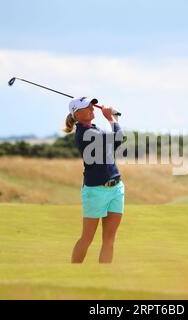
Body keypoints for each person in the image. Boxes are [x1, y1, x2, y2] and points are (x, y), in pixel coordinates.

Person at [64, 97, 125, 264]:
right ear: (76, 114)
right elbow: (118, 137)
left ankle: (102, 277)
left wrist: (114, 119)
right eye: (87, 107)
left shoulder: (94, 128)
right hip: (95, 191)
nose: (92, 108)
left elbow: (115, 143)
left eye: (92, 105)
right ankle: (73, 273)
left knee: (109, 240)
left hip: (116, 188)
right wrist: (110, 118)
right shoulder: (85, 134)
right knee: (87, 239)